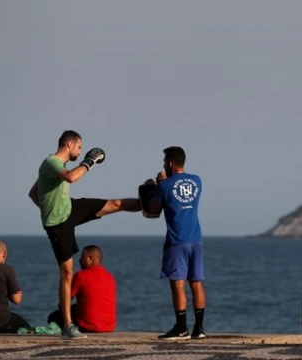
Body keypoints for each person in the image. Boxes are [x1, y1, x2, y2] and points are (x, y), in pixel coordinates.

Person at [28, 130, 141, 339]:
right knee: (67, 272)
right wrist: (89, 161)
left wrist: (47, 205)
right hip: (58, 223)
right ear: (70, 144)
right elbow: (71, 177)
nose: (80, 152)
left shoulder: (53, 167)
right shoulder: (51, 162)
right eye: (79, 148)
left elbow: (34, 193)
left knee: (115, 204)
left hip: (70, 209)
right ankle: (68, 326)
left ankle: (148, 204)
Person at [146, 146, 206, 340]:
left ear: (170, 163)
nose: (164, 165)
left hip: (177, 240)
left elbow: (153, 209)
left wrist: (157, 185)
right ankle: (200, 329)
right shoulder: (197, 181)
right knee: (196, 283)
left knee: (178, 284)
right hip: (195, 239)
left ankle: (181, 328)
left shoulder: (164, 185)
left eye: (165, 162)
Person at [47, 245, 117, 333]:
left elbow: (64, 302)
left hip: (87, 326)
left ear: (89, 259)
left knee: (53, 317)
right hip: (109, 327)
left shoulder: (81, 276)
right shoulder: (110, 277)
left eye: (82, 258)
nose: (79, 261)